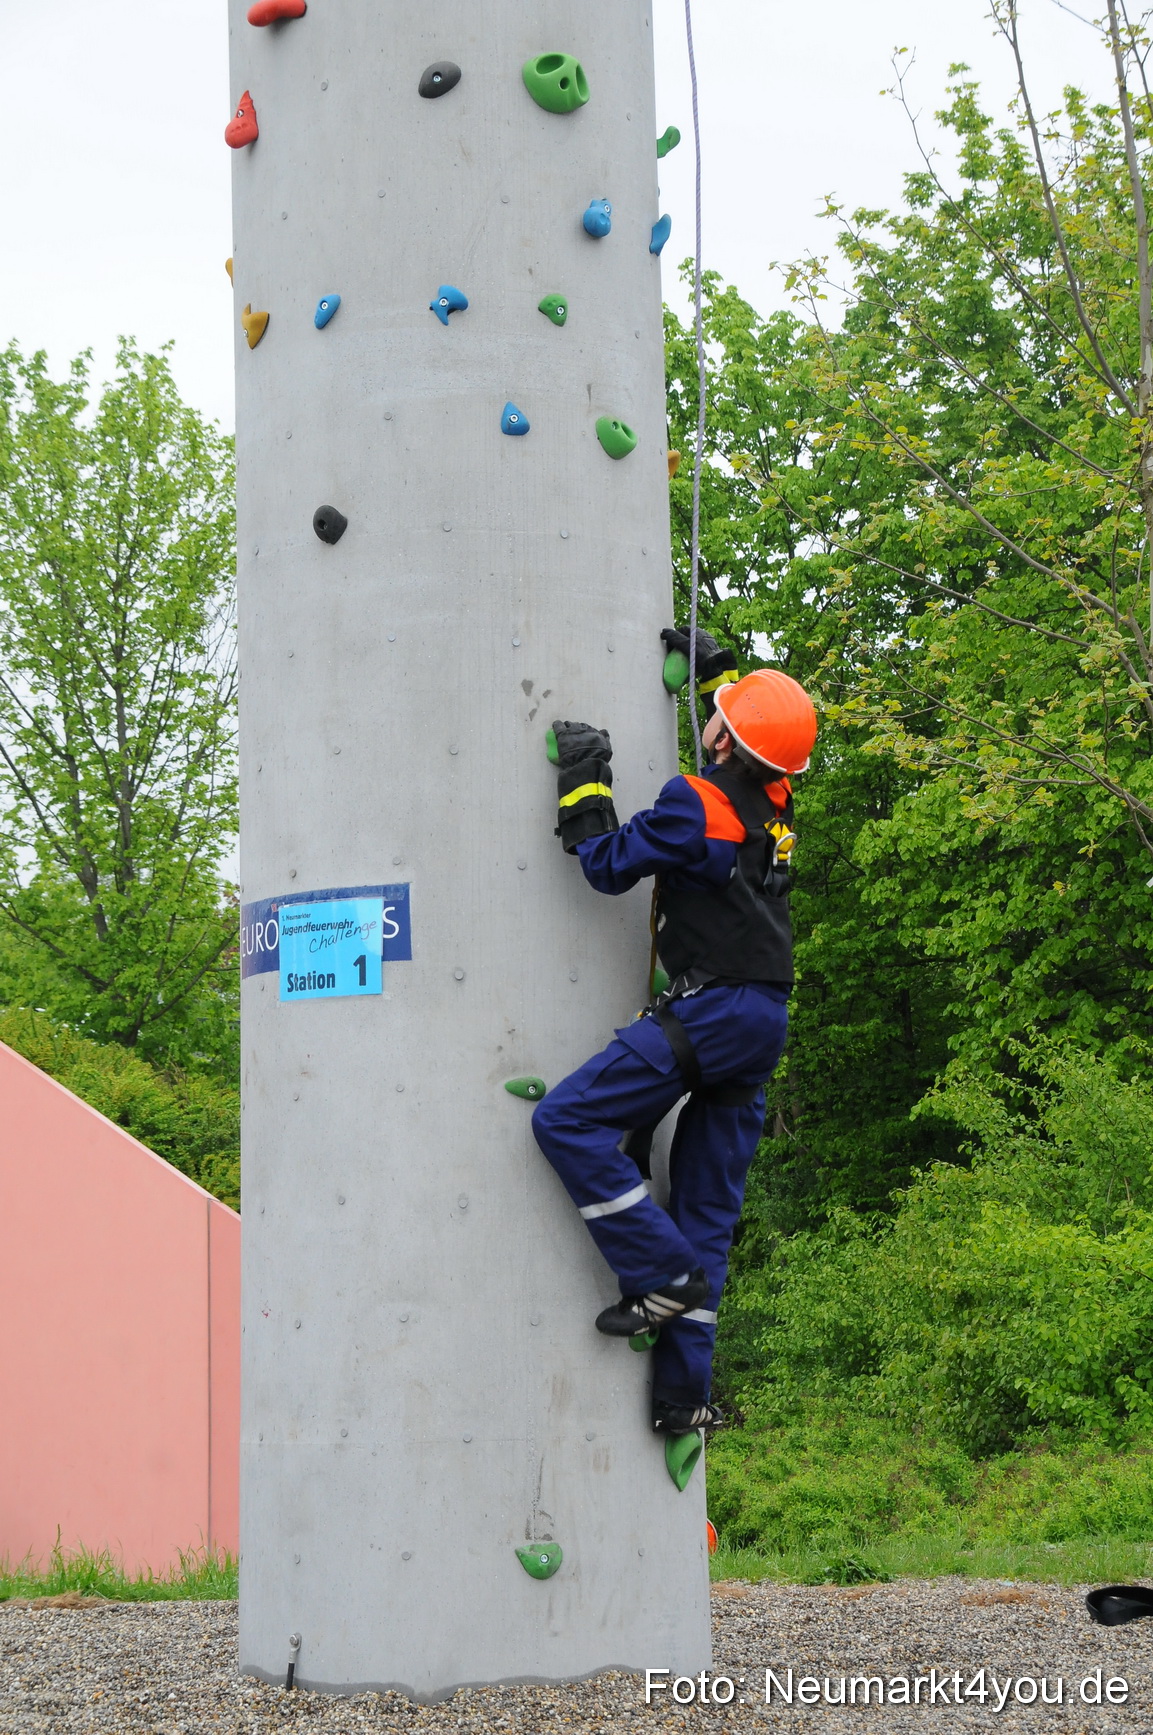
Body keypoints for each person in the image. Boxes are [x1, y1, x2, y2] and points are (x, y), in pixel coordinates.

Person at [531, 633, 818, 1438]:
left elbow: (605, 863)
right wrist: (719, 677)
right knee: (708, 1210)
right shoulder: (776, 803)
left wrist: (583, 776)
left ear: (724, 739)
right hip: (763, 1019)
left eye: (718, 717)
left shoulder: (697, 802)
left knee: (565, 1120)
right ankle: (683, 1396)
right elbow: (748, 750)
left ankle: (660, 1272)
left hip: (714, 1013)